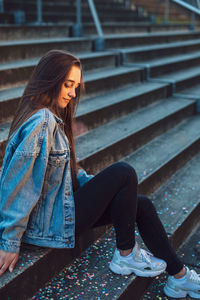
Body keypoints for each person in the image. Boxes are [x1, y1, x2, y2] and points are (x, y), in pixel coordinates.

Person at [0, 49, 199, 299]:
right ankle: (126, 254)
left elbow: (65, 172)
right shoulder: (42, 122)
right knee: (124, 172)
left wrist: (103, 190)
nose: (73, 93)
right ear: (50, 80)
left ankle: (179, 277)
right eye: (67, 84)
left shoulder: (49, 118)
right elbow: (19, 183)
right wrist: (9, 242)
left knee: (141, 205)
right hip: (48, 226)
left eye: (75, 86)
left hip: (58, 212)